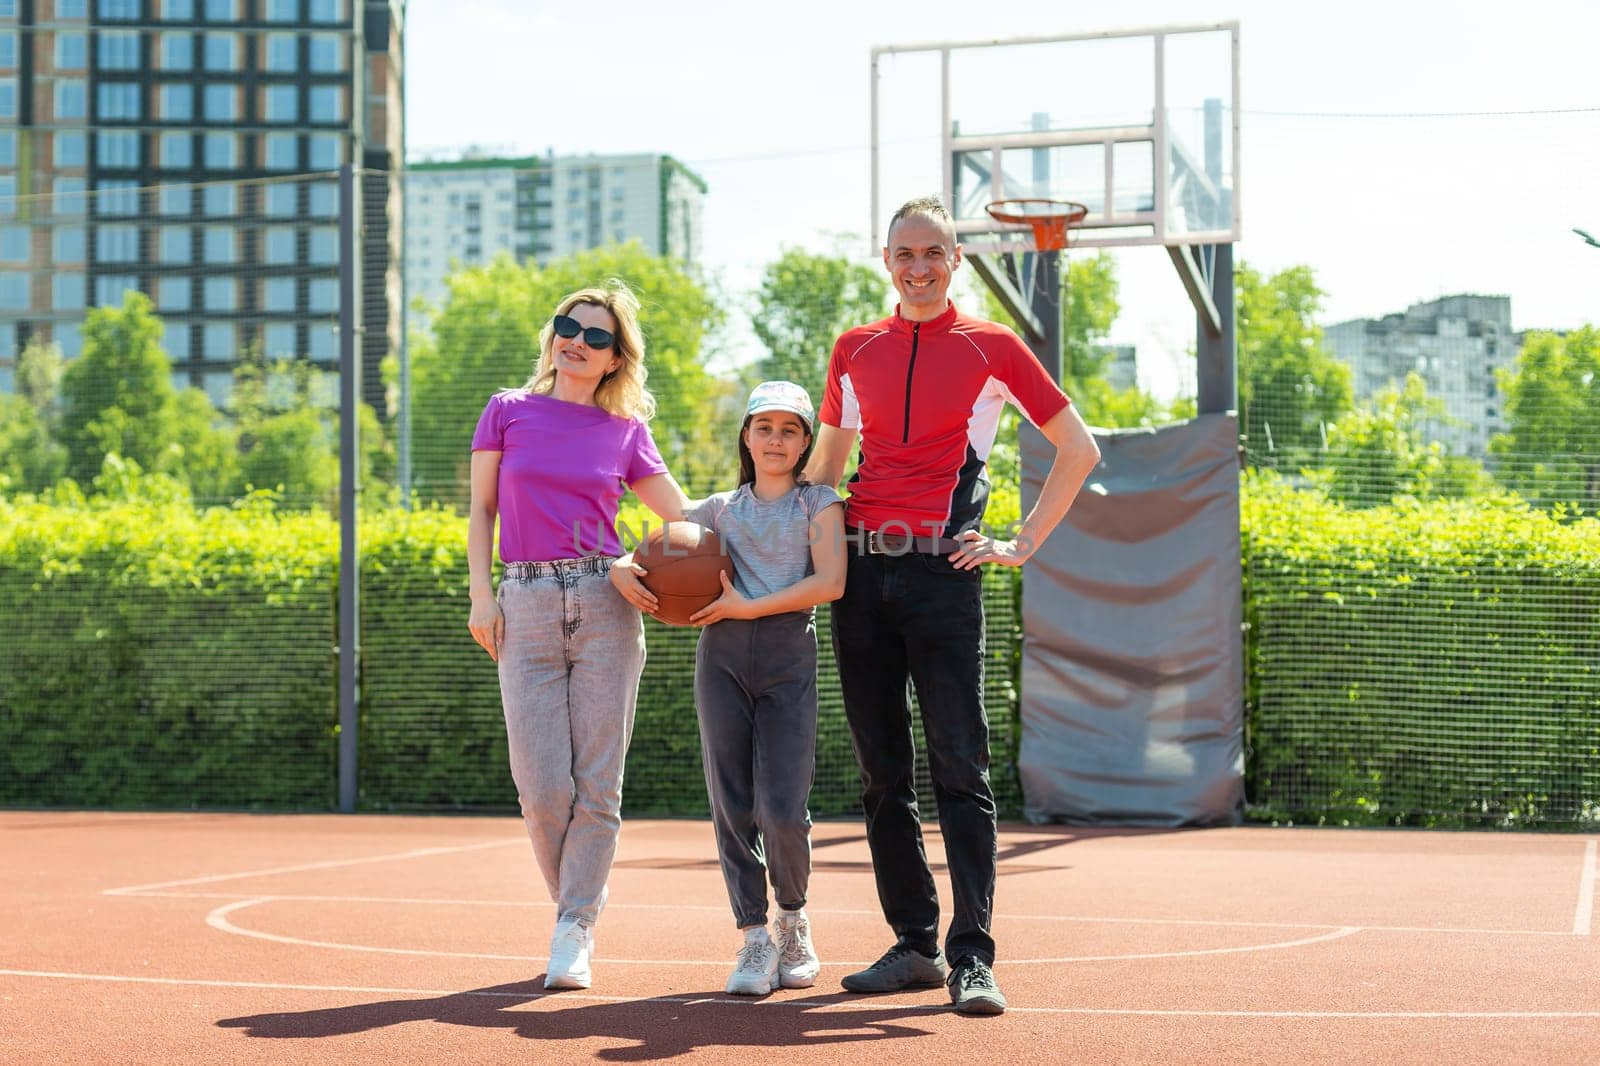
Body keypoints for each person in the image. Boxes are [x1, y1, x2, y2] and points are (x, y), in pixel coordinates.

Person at [804, 196, 1102, 1016]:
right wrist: (760, 536)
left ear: (956, 259)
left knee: (960, 770)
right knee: (880, 776)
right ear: (886, 259)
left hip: (945, 576)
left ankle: (974, 956)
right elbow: (826, 470)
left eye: (933, 252)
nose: (918, 266)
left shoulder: (995, 346)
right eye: (904, 253)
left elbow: (1080, 449)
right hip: (860, 580)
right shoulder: (852, 347)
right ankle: (914, 945)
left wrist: (1021, 542)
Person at [466, 281, 690, 992]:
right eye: (570, 325)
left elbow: (682, 521)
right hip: (522, 601)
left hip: (606, 602)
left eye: (597, 336)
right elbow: (480, 512)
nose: (578, 341)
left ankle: (575, 928)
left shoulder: (625, 433)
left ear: (617, 358)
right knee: (540, 788)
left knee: (598, 784)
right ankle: (576, 909)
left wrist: (634, 557)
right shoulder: (507, 410)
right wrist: (480, 597)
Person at [611, 381, 847, 996]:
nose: (775, 439)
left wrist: (749, 608)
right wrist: (617, 563)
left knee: (783, 809)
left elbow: (831, 583)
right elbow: (655, 549)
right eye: (763, 427)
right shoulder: (716, 510)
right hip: (720, 659)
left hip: (787, 655)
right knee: (732, 804)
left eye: (789, 429)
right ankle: (753, 937)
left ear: (804, 441)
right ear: (746, 436)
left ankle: (792, 919)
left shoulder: (819, 503)